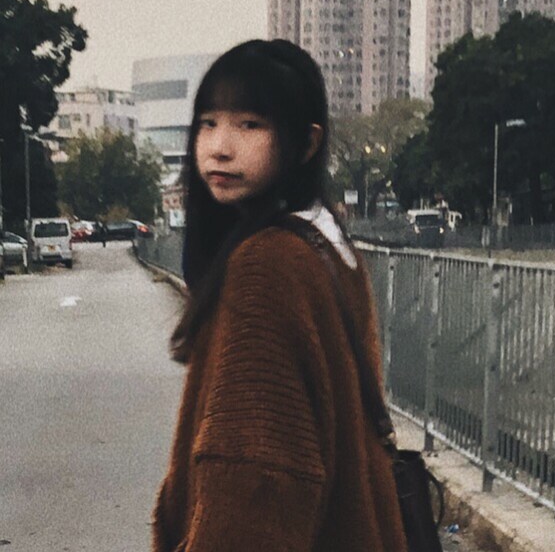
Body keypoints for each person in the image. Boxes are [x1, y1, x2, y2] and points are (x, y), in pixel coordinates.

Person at [152, 39, 406, 552]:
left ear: (307, 143)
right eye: (208, 123)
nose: (220, 146)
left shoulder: (266, 264)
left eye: (250, 125)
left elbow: (254, 487)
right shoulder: (327, 244)